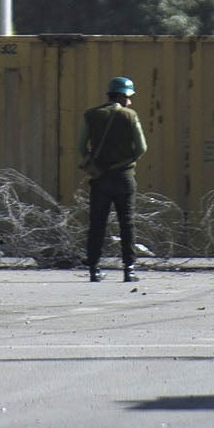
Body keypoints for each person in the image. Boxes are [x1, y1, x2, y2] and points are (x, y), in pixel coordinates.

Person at [80, 75, 147, 283]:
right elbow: (142, 148)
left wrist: (97, 164)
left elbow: (82, 147)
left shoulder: (91, 115)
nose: (131, 101)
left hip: (100, 178)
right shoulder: (130, 115)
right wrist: (123, 162)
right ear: (123, 96)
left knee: (97, 223)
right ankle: (129, 269)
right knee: (127, 224)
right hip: (124, 178)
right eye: (129, 96)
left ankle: (94, 269)